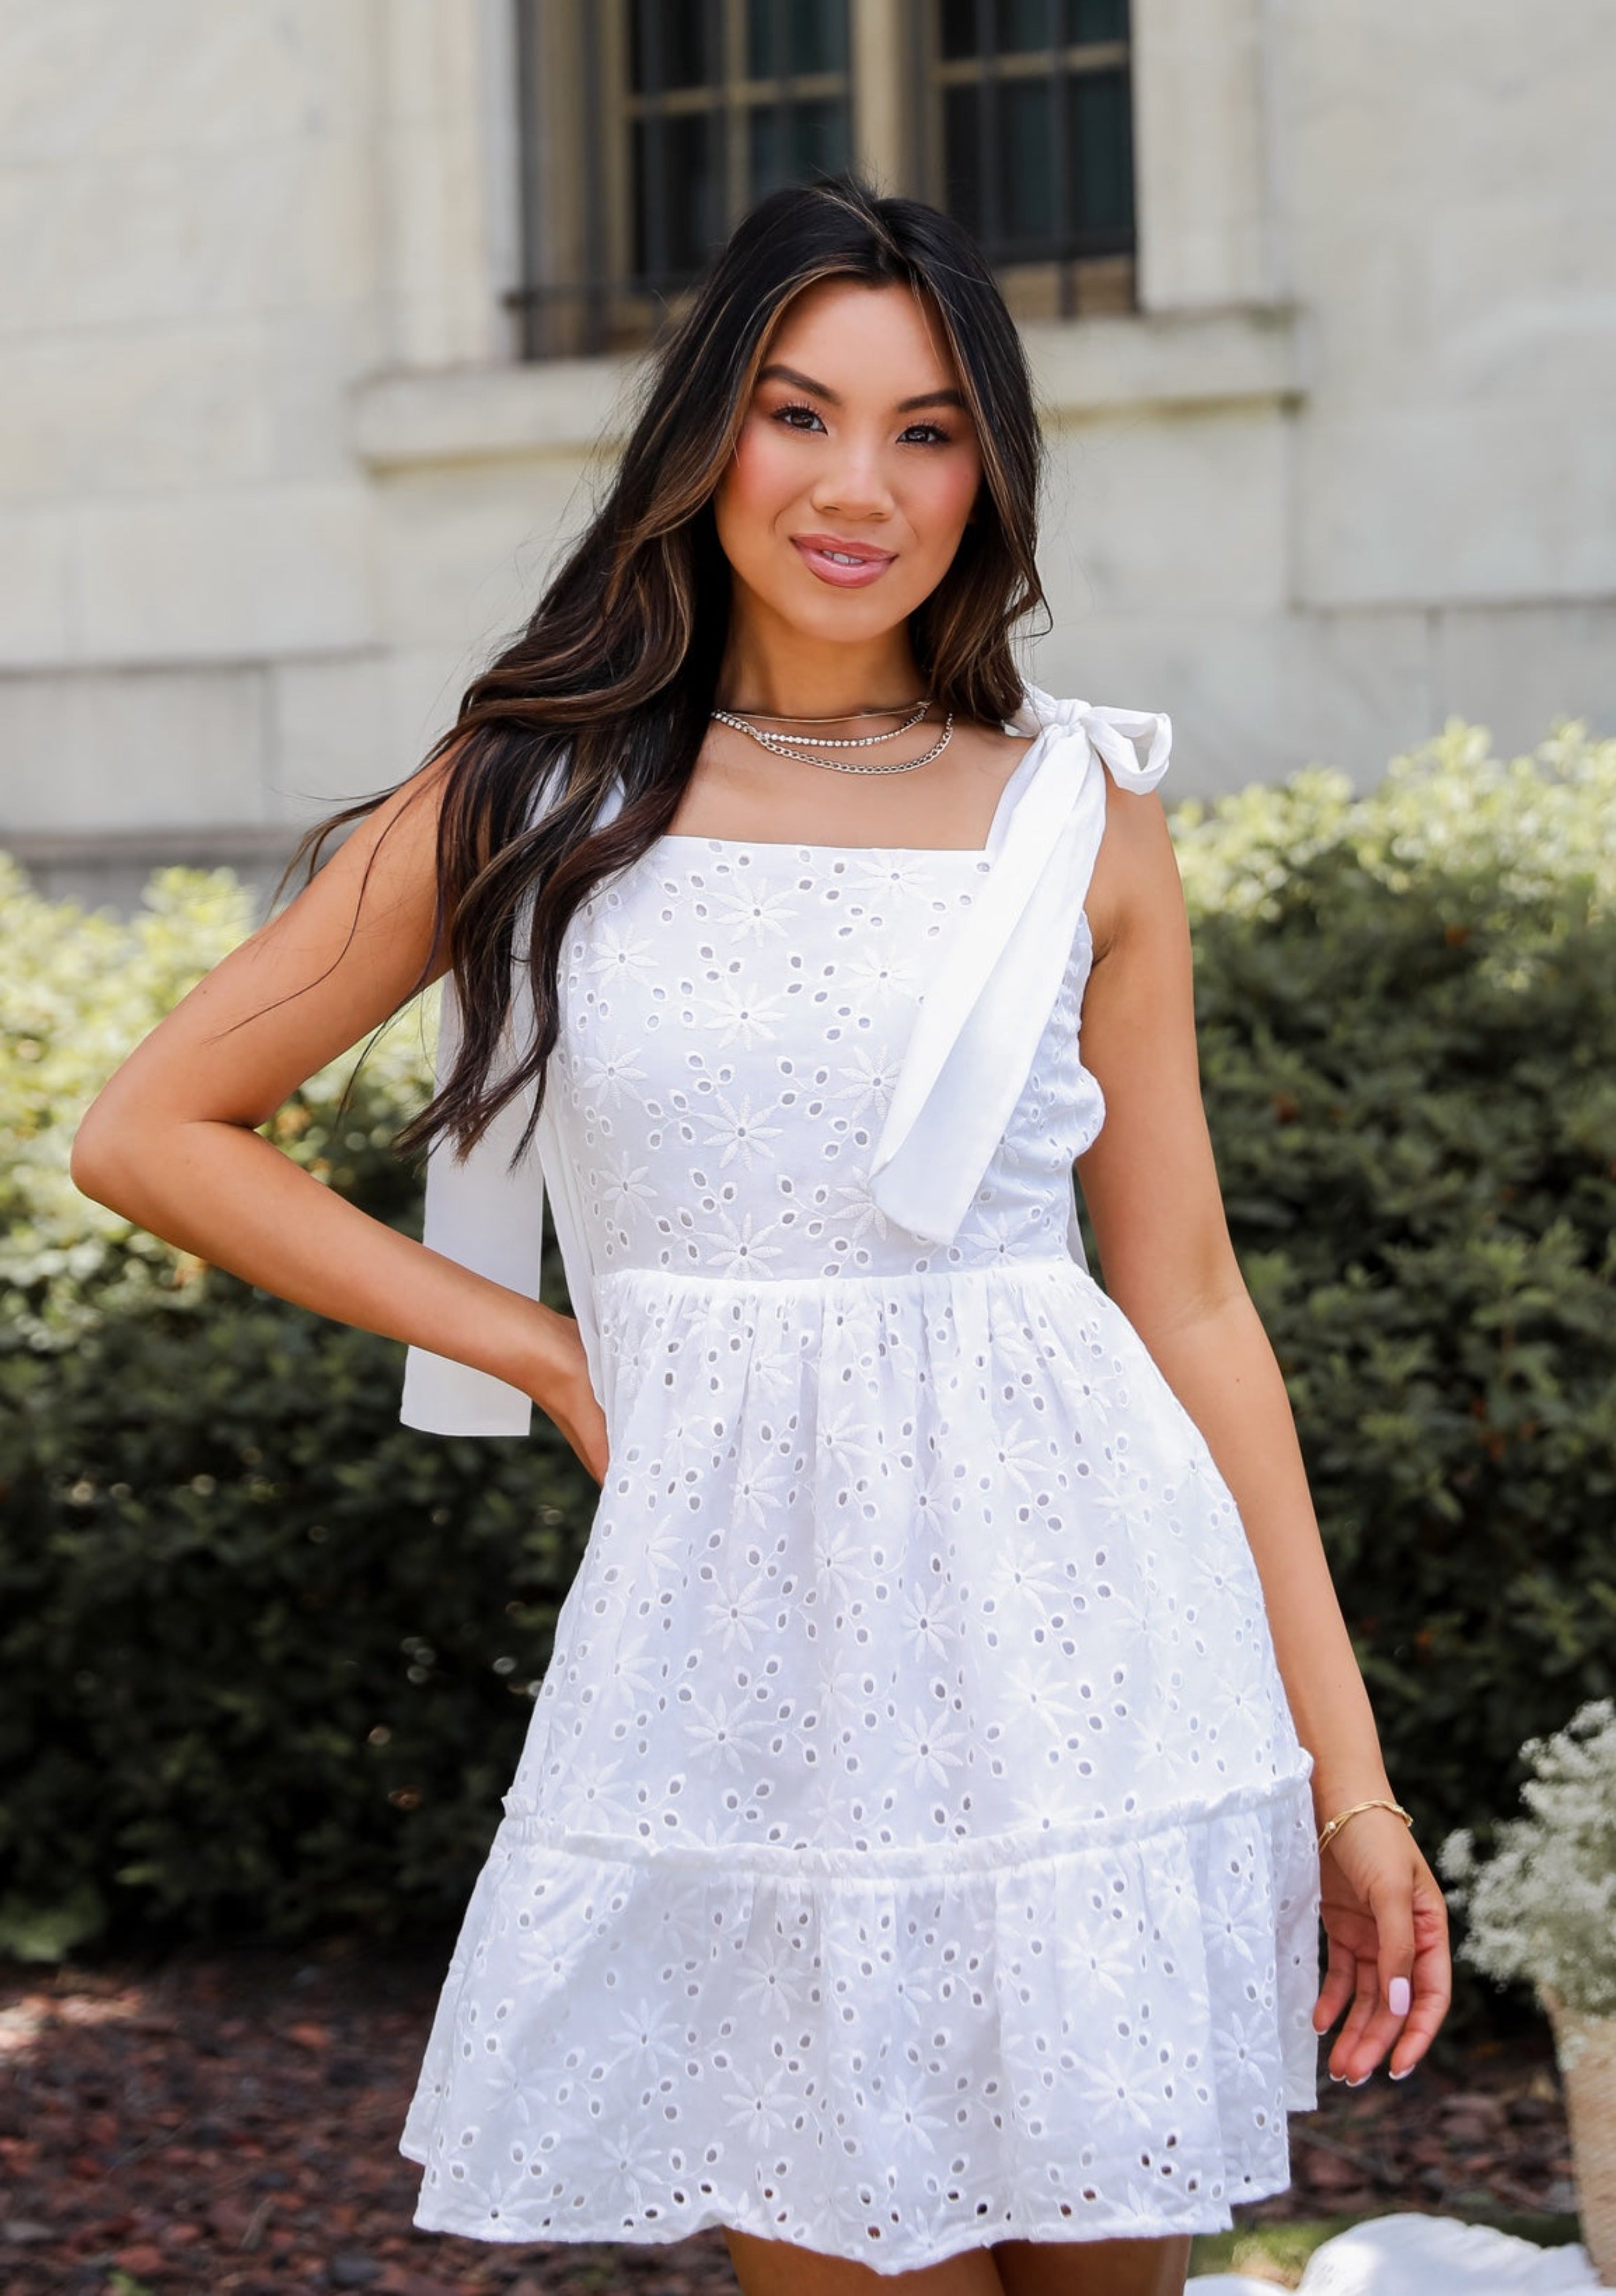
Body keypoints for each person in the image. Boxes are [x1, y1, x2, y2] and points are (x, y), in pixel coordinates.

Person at [72, 178, 1452, 2296]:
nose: (855, 486)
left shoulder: (1079, 817)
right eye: (800, 413)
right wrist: (534, 1346)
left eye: (923, 431)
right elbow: (155, 1128)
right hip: (750, 1680)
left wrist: (1347, 1780)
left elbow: (1182, 1297)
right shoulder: (530, 792)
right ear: (705, 430)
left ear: (984, 473)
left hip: (1092, 1655)